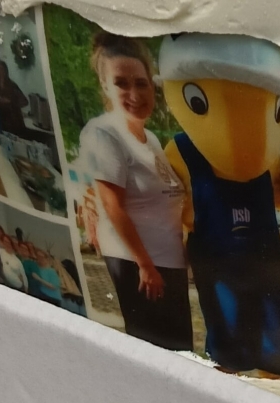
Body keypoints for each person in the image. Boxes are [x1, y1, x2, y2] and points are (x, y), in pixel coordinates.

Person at [78, 34, 192, 352]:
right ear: (105, 87)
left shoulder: (151, 139)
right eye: (121, 83)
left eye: (141, 83)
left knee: (181, 354)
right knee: (156, 355)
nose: (134, 94)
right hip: (140, 267)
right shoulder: (104, 133)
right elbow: (112, 205)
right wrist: (145, 266)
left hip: (168, 263)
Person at [0, 60, 28, 135]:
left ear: (5, 70)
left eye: (1, 68)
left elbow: (24, 101)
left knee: (15, 135)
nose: (0, 71)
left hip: (12, 117)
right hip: (2, 115)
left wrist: (10, 101)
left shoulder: (11, 84)